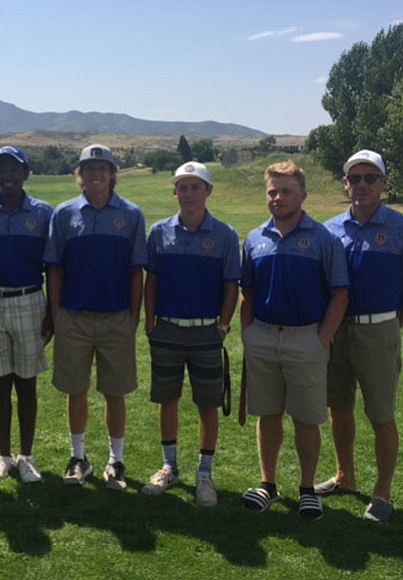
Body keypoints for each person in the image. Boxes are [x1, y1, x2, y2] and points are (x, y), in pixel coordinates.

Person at [315, 150, 403, 523]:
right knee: (338, 407)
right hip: (336, 330)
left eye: (369, 178)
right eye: (354, 179)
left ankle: (383, 493)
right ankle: (345, 475)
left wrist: (393, 323)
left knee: (381, 414)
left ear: (383, 183)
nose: (361, 185)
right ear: (345, 184)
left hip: (379, 330)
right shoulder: (328, 229)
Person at [240, 160, 348, 520]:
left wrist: (321, 339)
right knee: (268, 414)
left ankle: (306, 488)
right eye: (272, 191)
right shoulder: (255, 238)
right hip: (264, 336)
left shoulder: (323, 239)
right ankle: (267, 484)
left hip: (307, 338)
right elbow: (248, 291)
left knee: (306, 417)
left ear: (302, 194)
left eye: (286, 191)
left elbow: (339, 294)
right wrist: (249, 334)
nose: (278, 197)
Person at [44, 144, 147, 490]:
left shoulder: (131, 214)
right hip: (74, 316)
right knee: (76, 390)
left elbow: (137, 272)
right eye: (89, 169)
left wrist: (133, 317)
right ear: (80, 175)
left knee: (114, 392)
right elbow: (54, 269)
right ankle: (79, 458)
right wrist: (57, 313)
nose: (96, 174)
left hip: (116, 317)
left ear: (112, 173)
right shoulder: (64, 214)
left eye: (102, 168)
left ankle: (115, 460)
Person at [141, 162, 240, 506]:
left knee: (207, 403)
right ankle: (169, 467)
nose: (189, 194)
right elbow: (151, 279)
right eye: (183, 187)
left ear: (208, 191)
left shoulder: (224, 235)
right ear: (175, 192)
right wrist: (150, 320)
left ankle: (204, 473)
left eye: (196, 187)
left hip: (206, 331)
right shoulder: (159, 232)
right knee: (167, 398)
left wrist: (224, 325)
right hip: (166, 328)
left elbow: (231, 286)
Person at [0, 146, 53, 483]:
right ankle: (3, 456)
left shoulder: (43, 213)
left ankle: (26, 456)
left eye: (15, 168)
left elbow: (53, 266)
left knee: (26, 382)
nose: (8, 175)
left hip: (30, 299)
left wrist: (53, 313)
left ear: (26, 173)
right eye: (1, 169)